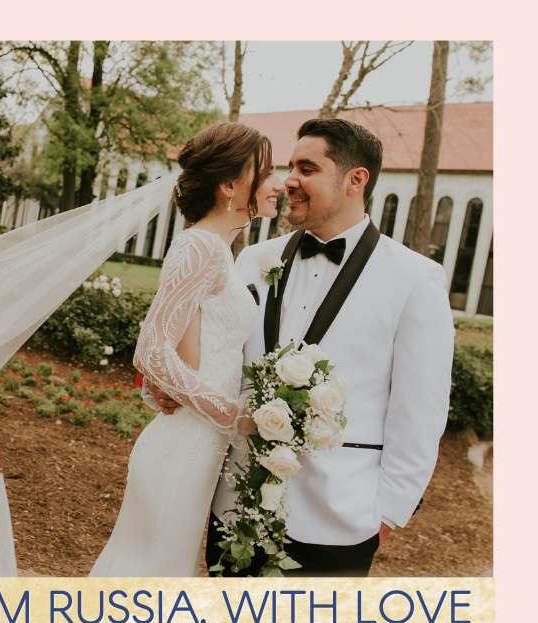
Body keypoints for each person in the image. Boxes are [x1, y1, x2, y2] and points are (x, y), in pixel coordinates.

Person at [152, 118, 454, 577]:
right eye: (289, 166)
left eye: (307, 168)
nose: (289, 179)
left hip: (338, 519)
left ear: (356, 180)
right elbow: (209, 353)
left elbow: (421, 411)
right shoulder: (253, 259)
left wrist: (385, 516)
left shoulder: (415, 279)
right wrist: (164, 388)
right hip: (234, 509)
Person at [88, 122, 284, 576]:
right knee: (148, 578)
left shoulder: (219, 250)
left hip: (199, 447)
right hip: (182, 449)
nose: (278, 184)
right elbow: (151, 350)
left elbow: (183, 350)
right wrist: (234, 416)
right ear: (230, 184)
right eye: (266, 171)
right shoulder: (201, 247)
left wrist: (160, 389)